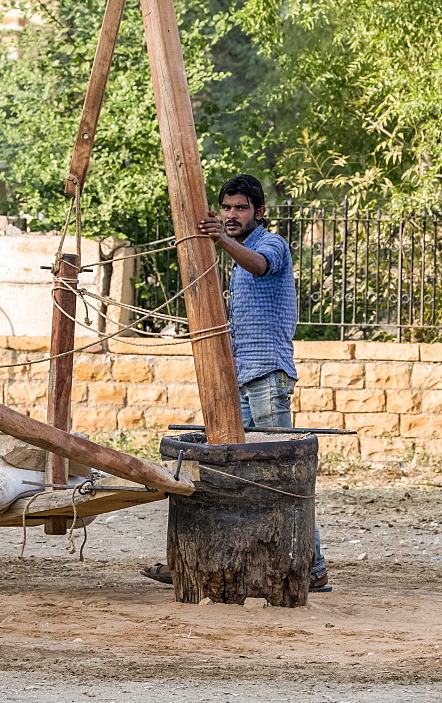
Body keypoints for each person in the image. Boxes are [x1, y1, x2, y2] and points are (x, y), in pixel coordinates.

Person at [143, 174, 330, 592]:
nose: (231, 215)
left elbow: (260, 265)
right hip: (240, 377)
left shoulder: (269, 245)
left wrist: (221, 241)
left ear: (258, 213)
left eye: (240, 208)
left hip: (267, 376)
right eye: (226, 208)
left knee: (285, 473)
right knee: (227, 470)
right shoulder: (235, 255)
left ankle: (314, 567)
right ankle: (201, 557)